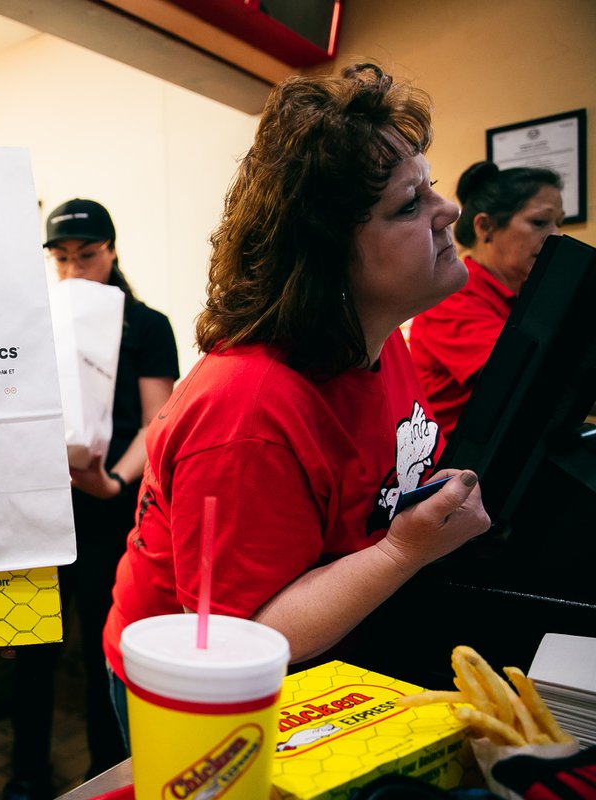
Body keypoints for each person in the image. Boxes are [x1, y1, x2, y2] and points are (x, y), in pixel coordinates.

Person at [100, 63, 493, 739]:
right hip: (192, 689)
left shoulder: (375, 341)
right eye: (409, 205)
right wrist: (401, 553)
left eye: (429, 187)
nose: (448, 210)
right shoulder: (249, 410)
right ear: (328, 260)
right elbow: (237, 635)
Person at [4, 200, 178, 799]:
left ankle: (105, 772)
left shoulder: (146, 325)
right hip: (43, 509)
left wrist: (117, 483)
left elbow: (158, 422)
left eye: (88, 256)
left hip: (111, 510)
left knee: (108, 644)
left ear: (112, 251)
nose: (75, 270)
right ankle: (25, 773)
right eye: (61, 259)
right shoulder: (34, 322)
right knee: (32, 647)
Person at [409, 162, 564, 440]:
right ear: (485, 226)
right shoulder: (453, 300)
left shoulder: (523, 296)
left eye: (558, 223)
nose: (556, 236)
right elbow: (533, 383)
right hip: (460, 466)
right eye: (539, 222)